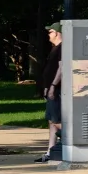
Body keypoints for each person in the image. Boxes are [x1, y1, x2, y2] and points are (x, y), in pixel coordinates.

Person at [38, 25, 63, 163]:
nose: (48, 34)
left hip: (58, 89)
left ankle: (69, 144)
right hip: (51, 89)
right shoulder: (54, 48)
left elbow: (61, 68)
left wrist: (53, 85)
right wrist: (47, 87)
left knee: (57, 120)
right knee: (51, 120)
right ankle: (50, 151)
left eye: (51, 31)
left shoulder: (63, 47)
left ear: (58, 33)